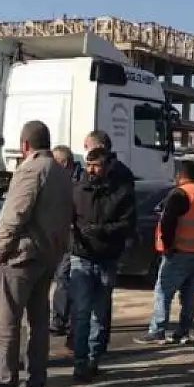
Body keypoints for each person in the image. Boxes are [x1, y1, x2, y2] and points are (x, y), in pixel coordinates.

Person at [0, 121, 73, 387]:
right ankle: (36, 382)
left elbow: (13, 215)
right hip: (46, 257)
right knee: (38, 323)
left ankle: (5, 384)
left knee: (7, 322)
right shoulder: (60, 172)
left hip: (21, 258)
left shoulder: (31, 170)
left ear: (24, 145)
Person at [70, 146, 136, 382]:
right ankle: (80, 363)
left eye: (96, 165)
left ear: (107, 165)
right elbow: (68, 219)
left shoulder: (122, 192)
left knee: (99, 314)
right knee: (81, 313)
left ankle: (93, 360)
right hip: (82, 258)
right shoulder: (78, 191)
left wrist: (102, 231)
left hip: (107, 259)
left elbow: (128, 225)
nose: (92, 170)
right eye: (89, 165)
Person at [134, 160, 194, 345]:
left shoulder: (179, 194)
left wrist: (167, 246)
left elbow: (168, 222)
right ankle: (183, 331)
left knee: (163, 290)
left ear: (179, 175)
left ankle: (157, 330)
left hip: (180, 250)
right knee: (188, 293)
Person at [83, 130, 135, 351]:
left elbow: (122, 215)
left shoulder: (118, 176)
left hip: (106, 246)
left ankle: (96, 346)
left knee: (100, 301)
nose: (87, 154)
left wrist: (99, 230)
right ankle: (88, 344)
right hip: (86, 247)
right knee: (91, 301)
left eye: (88, 147)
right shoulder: (88, 179)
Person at [50, 145, 85, 339]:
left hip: (76, 236)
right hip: (63, 234)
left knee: (68, 278)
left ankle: (63, 320)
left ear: (63, 163)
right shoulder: (59, 179)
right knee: (63, 277)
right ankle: (61, 319)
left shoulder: (80, 180)